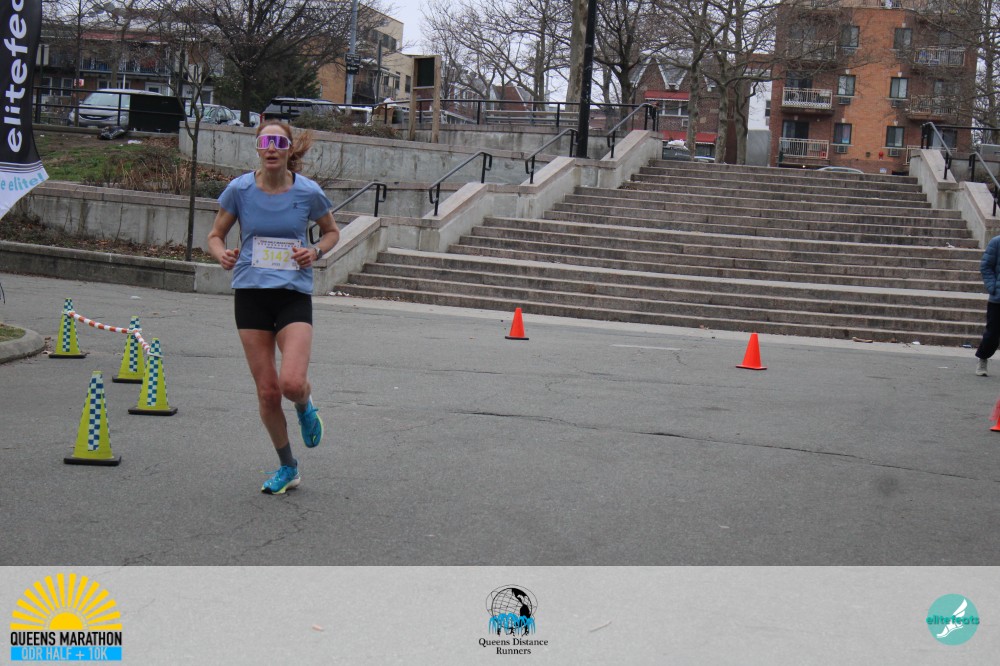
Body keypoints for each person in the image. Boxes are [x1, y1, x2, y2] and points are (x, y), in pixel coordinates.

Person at [207, 120, 339, 494]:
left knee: (291, 384)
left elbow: (332, 232)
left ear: (288, 149)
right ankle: (288, 467)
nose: (271, 148)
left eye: (279, 142)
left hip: (292, 293)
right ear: (257, 147)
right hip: (251, 293)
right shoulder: (240, 190)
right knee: (267, 392)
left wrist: (315, 252)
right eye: (265, 141)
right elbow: (215, 235)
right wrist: (222, 254)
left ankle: (304, 404)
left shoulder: (308, 192)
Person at [975, 234, 1000, 376]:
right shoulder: (997, 242)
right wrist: (993, 287)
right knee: (992, 334)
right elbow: (986, 266)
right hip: (998, 300)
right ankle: (983, 357)